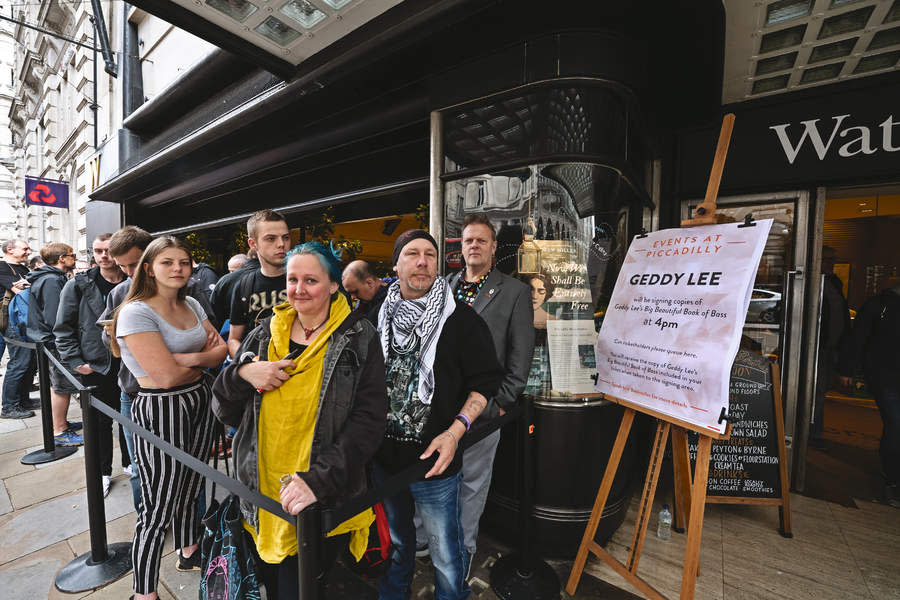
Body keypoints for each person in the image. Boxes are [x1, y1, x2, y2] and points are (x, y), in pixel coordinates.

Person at [212, 241, 388, 599]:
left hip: (323, 494)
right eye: (293, 279)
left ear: (334, 284)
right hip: (263, 494)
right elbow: (224, 407)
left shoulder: (359, 336)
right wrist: (244, 374)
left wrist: (317, 481)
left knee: (307, 584)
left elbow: (369, 421)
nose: (299, 289)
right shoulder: (264, 334)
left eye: (311, 280)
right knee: (274, 584)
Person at [374, 229, 503, 600]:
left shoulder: (462, 321)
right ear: (396, 265)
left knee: (447, 553)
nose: (422, 261)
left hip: (435, 463)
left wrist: (455, 431)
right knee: (399, 544)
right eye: (412, 254)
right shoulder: (373, 316)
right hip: (385, 460)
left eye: (430, 255)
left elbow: (485, 385)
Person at [111, 236, 227, 599]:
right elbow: (163, 378)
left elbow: (221, 350)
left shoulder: (191, 302)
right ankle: (144, 591)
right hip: (161, 408)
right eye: (168, 262)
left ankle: (189, 549)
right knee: (158, 505)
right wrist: (199, 361)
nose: (178, 269)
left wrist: (187, 360)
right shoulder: (136, 311)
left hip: (200, 402)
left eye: (185, 262)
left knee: (192, 484)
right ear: (148, 268)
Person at [101, 226, 216, 511]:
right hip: (138, 391)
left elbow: (216, 345)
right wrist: (126, 339)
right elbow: (108, 339)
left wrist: (187, 360)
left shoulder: (188, 294)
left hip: (192, 396)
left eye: (134, 264)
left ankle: (193, 529)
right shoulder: (121, 295)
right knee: (145, 470)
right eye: (122, 266)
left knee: (193, 469)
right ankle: (154, 522)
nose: (128, 271)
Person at [445, 213, 534, 568]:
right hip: (442, 406)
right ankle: (434, 544)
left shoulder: (514, 291)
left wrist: (501, 403)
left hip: (484, 411)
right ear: (461, 247)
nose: (474, 246)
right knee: (440, 480)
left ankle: (463, 551)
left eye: (481, 240)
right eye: (468, 241)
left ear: (494, 247)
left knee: (472, 484)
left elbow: (521, 353)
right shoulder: (446, 286)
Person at [55, 234, 126, 497]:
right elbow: (63, 327)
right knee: (99, 424)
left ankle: (130, 464)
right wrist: (76, 361)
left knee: (130, 419)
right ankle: (103, 472)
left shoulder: (133, 281)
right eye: (98, 251)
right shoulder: (79, 284)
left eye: (108, 250)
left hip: (130, 363)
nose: (103, 256)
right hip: (96, 365)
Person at [839, 277, 900, 508]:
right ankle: (892, 479)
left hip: (886, 376)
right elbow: (858, 339)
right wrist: (846, 369)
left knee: (895, 426)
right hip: (885, 378)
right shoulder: (880, 305)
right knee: (896, 425)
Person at [26, 243, 81, 445]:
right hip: (55, 341)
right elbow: (55, 316)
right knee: (62, 386)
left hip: (50, 340)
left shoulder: (51, 278)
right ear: (61, 259)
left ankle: (61, 423)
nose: (74, 258)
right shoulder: (51, 280)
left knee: (58, 385)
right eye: (71, 255)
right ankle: (59, 430)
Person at [227, 210, 291, 358]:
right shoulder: (243, 286)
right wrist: (250, 364)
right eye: (271, 239)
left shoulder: (307, 280)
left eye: (286, 237)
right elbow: (234, 339)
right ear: (253, 244)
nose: (281, 244)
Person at [811, 246, 851, 451]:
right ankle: (812, 431)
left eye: (832, 259)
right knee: (815, 390)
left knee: (821, 390)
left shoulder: (834, 283)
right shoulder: (810, 282)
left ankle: (814, 430)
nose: (831, 263)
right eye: (827, 259)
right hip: (814, 347)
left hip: (828, 347)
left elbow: (839, 316)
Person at [0, 239, 36, 419]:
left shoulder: (23, 269)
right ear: (10, 249)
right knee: (19, 363)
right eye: (25, 248)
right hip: (13, 322)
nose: (29, 251)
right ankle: (9, 406)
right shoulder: (2, 267)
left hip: (25, 320)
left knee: (29, 363)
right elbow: (20, 290)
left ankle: (23, 400)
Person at [210, 250, 258, 327]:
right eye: (230, 271)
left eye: (233, 271)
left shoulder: (226, 281)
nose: (231, 274)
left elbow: (214, 310)